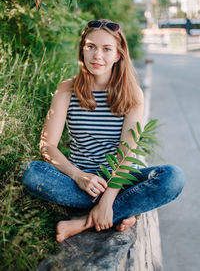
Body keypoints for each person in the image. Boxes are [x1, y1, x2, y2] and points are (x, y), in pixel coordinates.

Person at [21, 19, 185, 243]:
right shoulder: (67, 89)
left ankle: (84, 221)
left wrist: (108, 200)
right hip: (79, 183)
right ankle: (127, 209)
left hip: (120, 179)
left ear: (118, 55)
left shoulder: (131, 94)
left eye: (107, 49)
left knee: (173, 178)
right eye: (91, 47)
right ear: (83, 49)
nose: (97, 56)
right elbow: (47, 146)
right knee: (31, 172)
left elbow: (125, 154)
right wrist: (79, 176)